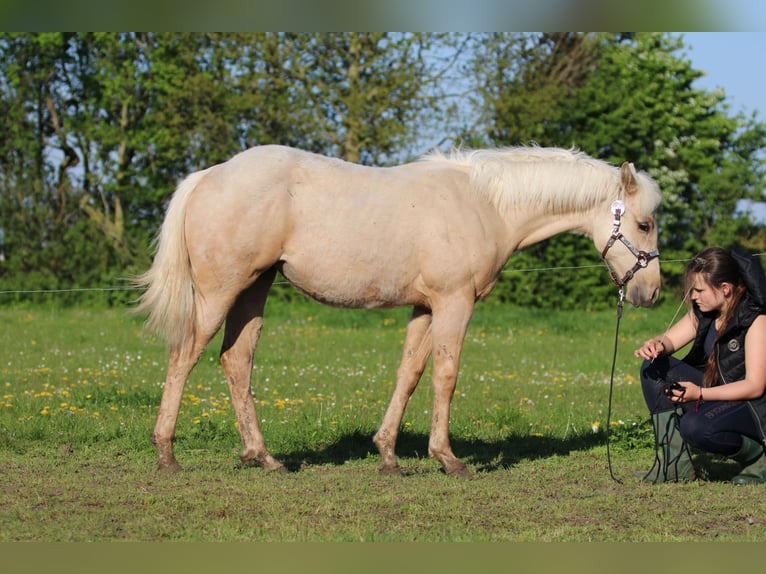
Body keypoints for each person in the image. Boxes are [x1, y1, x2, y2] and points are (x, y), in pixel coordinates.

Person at [634, 247, 766, 484]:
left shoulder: (757, 320)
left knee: (696, 427)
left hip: (754, 407)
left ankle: (758, 457)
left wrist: (700, 393)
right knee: (653, 367)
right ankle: (675, 465)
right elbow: (671, 340)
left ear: (725, 288)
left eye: (699, 290)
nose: (693, 296)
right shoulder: (705, 312)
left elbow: (755, 386)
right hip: (721, 394)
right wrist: (657, 345)